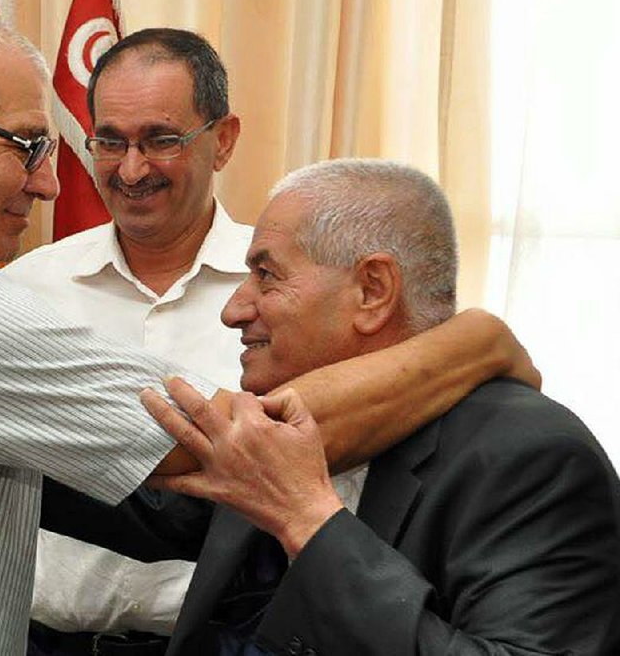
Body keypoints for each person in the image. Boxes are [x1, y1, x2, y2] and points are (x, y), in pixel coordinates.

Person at [0, 3, 536, 654]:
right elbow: (238, 449)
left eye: (159, 139)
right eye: (27, 145)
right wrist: (475, 342)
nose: (48, 184)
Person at [142, 159, 620, 654]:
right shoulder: (285, 420)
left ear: (373, 290)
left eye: (266, 275)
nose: (233, 310)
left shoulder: (535, 460)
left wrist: (308, 521)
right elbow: (145, 502)